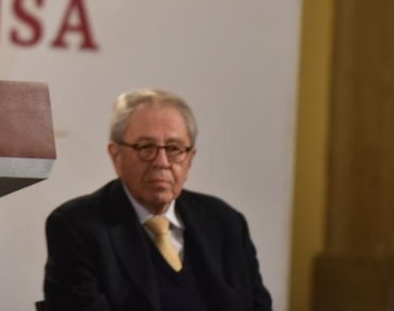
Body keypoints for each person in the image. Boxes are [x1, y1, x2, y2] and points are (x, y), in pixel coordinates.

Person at [43, 89, 272, 311]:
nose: (161, 161)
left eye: (174, 148)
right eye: (146, 147)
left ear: (190, 159)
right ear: (116, 155)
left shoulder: (225, 222)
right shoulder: (76, 227)